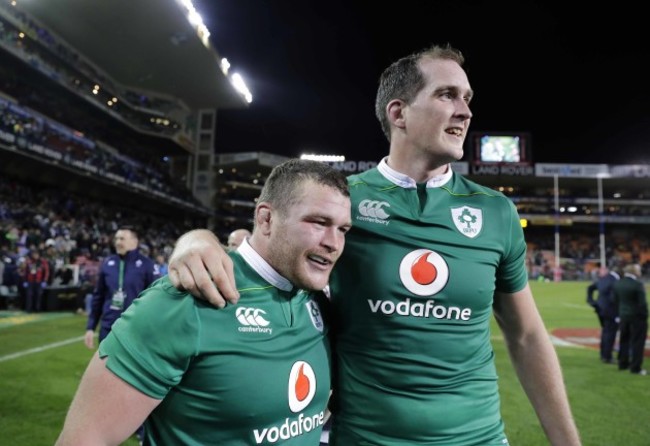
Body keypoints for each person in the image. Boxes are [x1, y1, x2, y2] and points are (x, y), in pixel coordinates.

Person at [167, 44, 581, 445]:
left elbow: (526, 335)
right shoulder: (344, 201)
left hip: (477, 438)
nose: (466, 110)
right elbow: (260, 246)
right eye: (447, 94)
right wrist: (194, 240)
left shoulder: (496, 213)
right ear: (399, 112)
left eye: (468, 98)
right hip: (367, 438)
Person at [55, 159, 352, 445]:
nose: (334, 243)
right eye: (319, 222)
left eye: (342, 229)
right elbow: (84, 439)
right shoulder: (185, 300)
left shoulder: (318, 302)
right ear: (266, 219)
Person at [84, 226, 159, 349]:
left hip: (135, 329)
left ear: (134, 242)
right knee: (104, 366)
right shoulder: (108, 264)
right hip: (108, 328)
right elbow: (98, 297)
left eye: (122, 239)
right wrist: (90, 327)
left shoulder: (147, 265)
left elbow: (156, 300)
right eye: (116, 239)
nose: (118, 242)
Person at [613, 263, 648, 375]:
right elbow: (642, 304)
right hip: (637, 318)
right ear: (634, 271)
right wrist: (645, 316)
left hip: (623, 316)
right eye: (638, 270)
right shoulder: (637, 285)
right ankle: (635, 367)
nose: (640, 271)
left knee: (624, 340)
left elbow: (615, 301)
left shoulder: (618, 283)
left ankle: (622, 363)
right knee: (637, 342)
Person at [586, 266, 620, 363]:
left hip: (600, 309)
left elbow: (590, 288)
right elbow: (613, 298)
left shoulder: (603, 279)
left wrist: (591, 301)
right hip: (610, 311)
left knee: (605, 332)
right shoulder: (614, 280)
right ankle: (607, 356)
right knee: (610, 333)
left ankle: (603, 354)